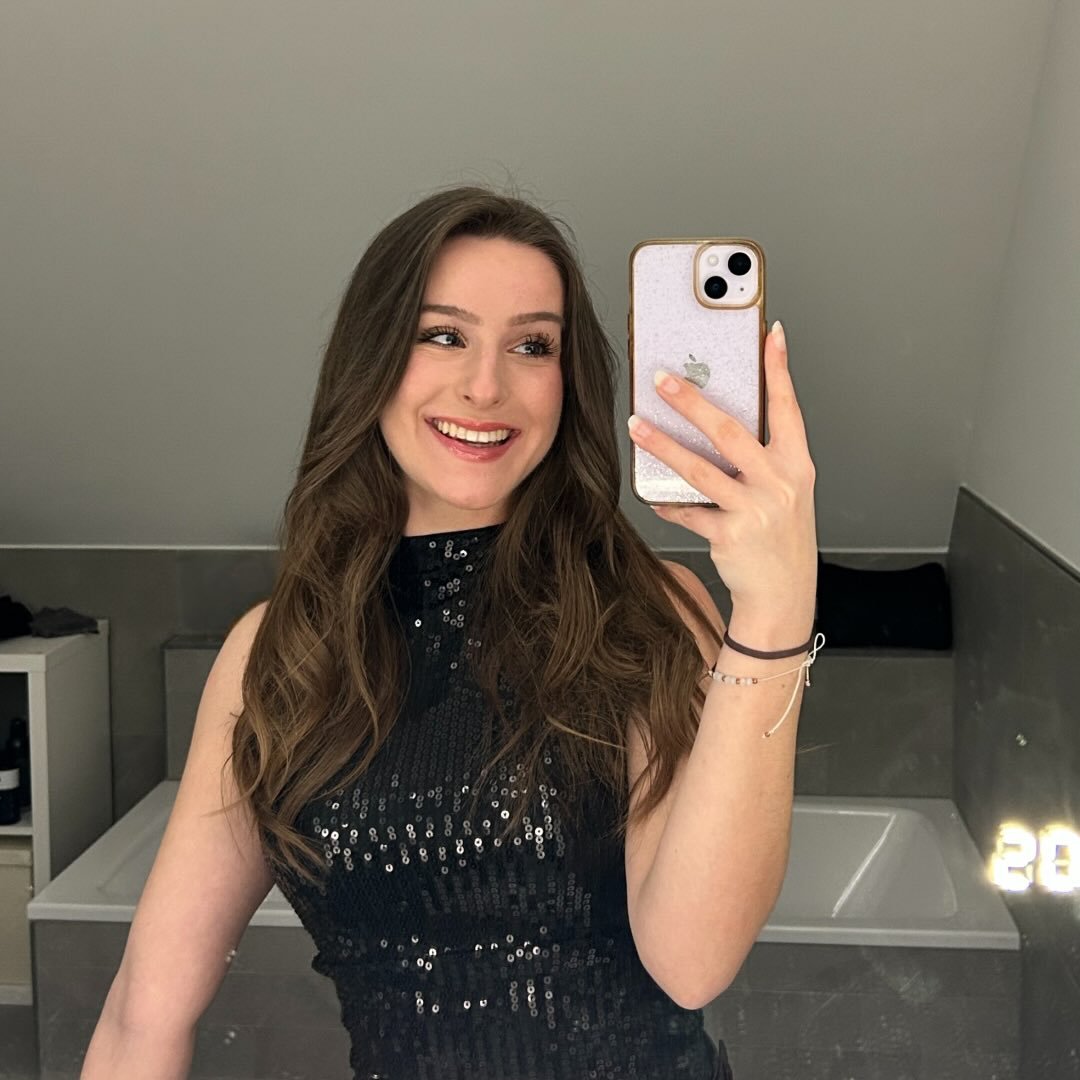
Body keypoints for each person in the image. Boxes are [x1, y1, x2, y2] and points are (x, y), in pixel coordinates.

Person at [82, 185, 819, 1079]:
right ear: (373, 359)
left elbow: (693, 963)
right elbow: (143, 1015)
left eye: (532, 345)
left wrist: (775, 614)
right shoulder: (282, 654)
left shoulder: (644, 610)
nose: (485, 385)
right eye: (443, 335)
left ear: (569, 381)